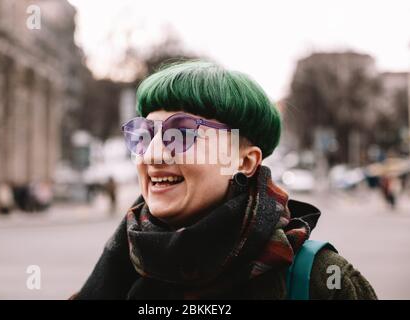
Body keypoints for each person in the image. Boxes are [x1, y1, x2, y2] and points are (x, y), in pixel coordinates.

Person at [73, 61, 377, 300]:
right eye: (144, 135)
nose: (151, 155)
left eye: (180, 134)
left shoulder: (321, 280)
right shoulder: (120, 268)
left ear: (244, 161)